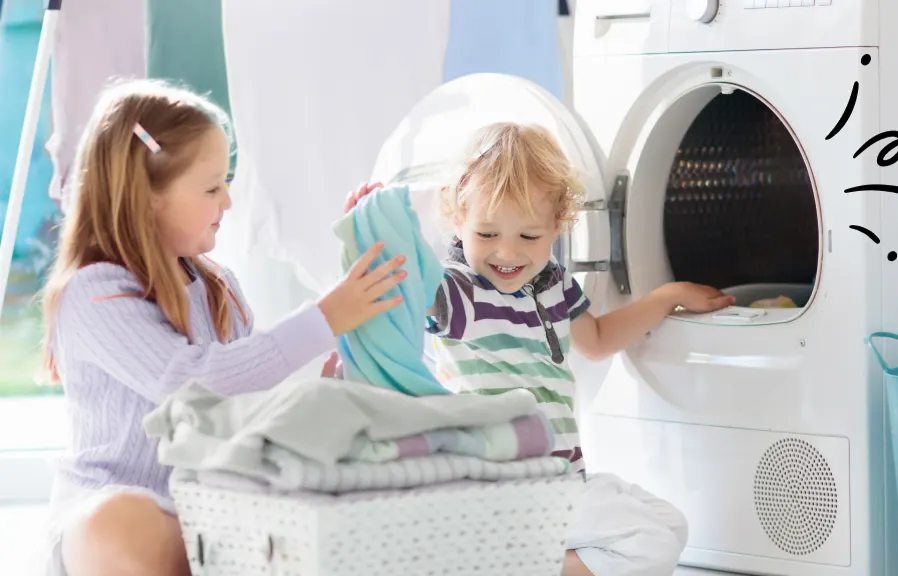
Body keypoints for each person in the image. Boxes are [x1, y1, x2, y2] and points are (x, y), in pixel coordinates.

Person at [38, 78, 407, 576]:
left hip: (209, 510)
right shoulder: (94, 292)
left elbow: (249, 396)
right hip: (114, 515)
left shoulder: (218, 287)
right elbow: (188, 385)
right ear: (146, 197)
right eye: (213, 187)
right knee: (124, 522)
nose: (228, 202)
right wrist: (324, 318)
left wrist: (338, 359)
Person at [343, 122, 736, 575]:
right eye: (487, 234)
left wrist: (666, 296)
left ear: (557, 226)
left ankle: (505, 563)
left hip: (562, 476)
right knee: (650, 545)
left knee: (671, 524)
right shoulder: (459, 290)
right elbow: (402, 286)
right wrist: (373, 231)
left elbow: (599, 340)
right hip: (504, 488)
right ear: (458, 220)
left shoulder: (551, 283)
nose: (506, 253)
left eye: (528, 236)